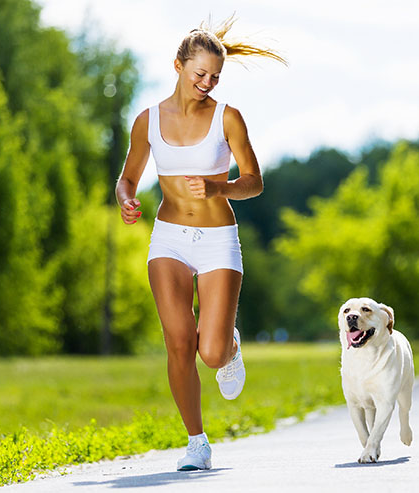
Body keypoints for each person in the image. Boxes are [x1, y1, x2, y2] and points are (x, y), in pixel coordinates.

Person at [115, 17, 286, 471]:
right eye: (199, 75)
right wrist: (126, 199)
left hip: (217, 240)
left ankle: (228, 342)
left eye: (214, 77)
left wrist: (218, 189)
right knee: (177, 342)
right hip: (168, 238)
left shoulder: (228, 117)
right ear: (178, 65)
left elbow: (254, 182)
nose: (207, 83)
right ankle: (197, 442)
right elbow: (128, 178)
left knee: (209, 353)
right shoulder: (147, 120)